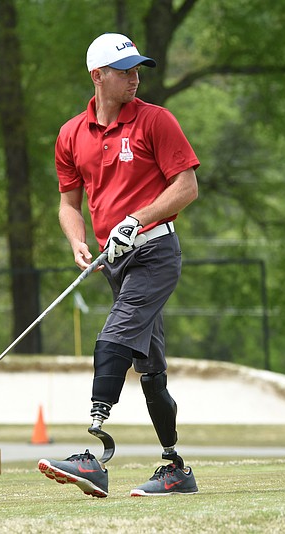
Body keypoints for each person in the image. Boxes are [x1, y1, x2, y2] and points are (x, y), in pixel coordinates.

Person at [37, 33, 200, 498]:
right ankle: (175, 467)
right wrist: (77, 241)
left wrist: (137, 219)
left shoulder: (155, 120)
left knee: (115, 334)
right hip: (115, 262)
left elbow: (186, 187)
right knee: (151, 366)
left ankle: (93, 453)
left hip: (155, 251)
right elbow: (69, 203)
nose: (134, 77)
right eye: (124, 70)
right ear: (97, 76)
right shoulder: (71, 134)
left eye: (137, 69)